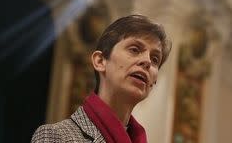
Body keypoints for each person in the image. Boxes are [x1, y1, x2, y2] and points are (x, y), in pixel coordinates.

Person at [31, 14, 172, 143]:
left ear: (154, 81)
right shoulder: (57, 137)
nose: (147, 61)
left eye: (155, 59)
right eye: (134, 49)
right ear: (100, 61)